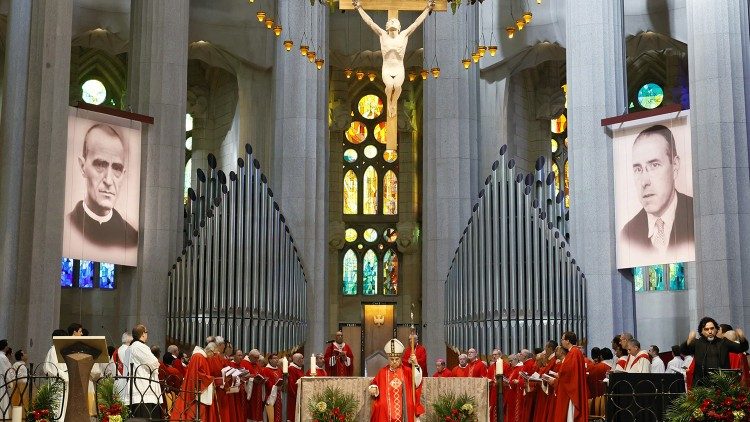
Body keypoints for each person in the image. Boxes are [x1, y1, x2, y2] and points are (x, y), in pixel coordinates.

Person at [620, 124, 694, 255]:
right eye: (638, 169)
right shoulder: (628, 234)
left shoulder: (696, 215)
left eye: (654, 165)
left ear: (675, 166)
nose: (644, 182)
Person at [353, 0, 435, 119]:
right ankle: (390, 103)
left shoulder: (404, 35)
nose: (392, 22)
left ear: (399, 26)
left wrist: (427, 9)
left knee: (397, 86)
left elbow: (416, 23)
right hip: (387, 67)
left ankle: (392, 104)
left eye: (394, 21)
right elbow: (370, 22)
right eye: (390, 22)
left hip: (398, 68)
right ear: (386, 27)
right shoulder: (382, 35)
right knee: (390, 86)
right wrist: (360, 8)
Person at [66, 123, 138, 249]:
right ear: (82, 166)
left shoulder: (132, 239)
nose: (108, 181)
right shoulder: (66, 226)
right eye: (100, 165)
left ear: (123, 174)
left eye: (117, 168)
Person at [681, 316, 749, 387]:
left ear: (716, 329)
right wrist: (688, 341)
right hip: (701, 385)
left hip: (721, 384)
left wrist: (742, 339)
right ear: (701, 331)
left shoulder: (723, 342)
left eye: (712, 328)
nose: (710, 331)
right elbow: (684, 351)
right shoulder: (697, 343)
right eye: (706, 329)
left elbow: (742, 348)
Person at [368, 339, 423, 422]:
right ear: (388, 359)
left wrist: (415, 364)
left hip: (403, 402)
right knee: (381, 405)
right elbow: (375, 383)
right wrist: (374, 388)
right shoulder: (383, 372)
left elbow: (417, 382)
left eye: (396, 359)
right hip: (387, 406)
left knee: (409, 405)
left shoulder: (407, 371)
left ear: (400, 358)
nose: (394, 361)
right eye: (392, 359)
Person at [122, 324, 162, 418]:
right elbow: (153, 362)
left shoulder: (130, 348)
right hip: (142, 390)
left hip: (135, 389)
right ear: (143, 334)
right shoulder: (140, 347)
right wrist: (157, 364)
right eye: (146, 332)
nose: (147, 334)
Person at [169, 345, 216, 421]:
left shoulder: (201, 357)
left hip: (200, 390)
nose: (213, 356)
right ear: (210, 351)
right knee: (194, 414)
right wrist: (210, 379)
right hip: (196, 391)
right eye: (213, 353)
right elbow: (197, 374)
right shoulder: (198, 357)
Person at [551, 331, 589, 422]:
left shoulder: (573, 353)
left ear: (567, 341)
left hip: (571, 390)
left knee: (569, 415)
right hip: (571, 387)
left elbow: (568, 372)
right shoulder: (574, 352)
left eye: (562, 339)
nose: (561, 341)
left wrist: (558, 375)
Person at [287, 353, 305, 422]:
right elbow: (292, 385)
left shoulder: (298, 369)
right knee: (293, 416)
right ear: (298, 360)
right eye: (302, 358)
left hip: (299, 396)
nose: (303, 360)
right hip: (294, 398)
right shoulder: (291, 369)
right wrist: (298, 396)